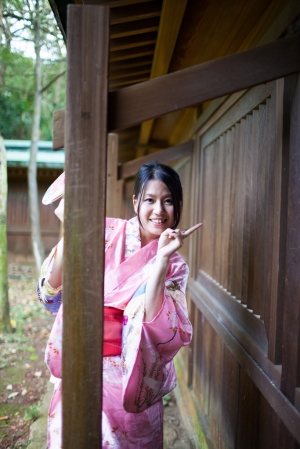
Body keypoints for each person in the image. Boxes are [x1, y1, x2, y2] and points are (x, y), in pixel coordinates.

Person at [37, 162, 202, 449]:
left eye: (168, 201)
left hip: (130, 378)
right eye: (150, 200)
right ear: (136, 201)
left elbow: (162, 333)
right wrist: (71, 230)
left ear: (178, 207)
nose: (159, 210)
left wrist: (161, 260)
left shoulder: (175, 265)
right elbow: (52, 293)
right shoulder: (106, 232)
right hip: (82, 365)